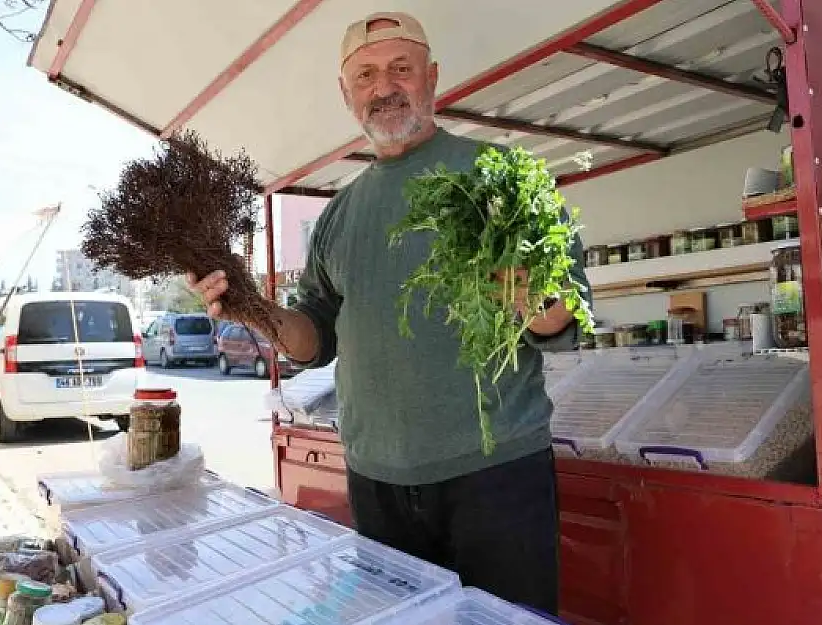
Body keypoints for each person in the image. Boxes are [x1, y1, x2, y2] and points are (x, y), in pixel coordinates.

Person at [189, 12, 591, 615]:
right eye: (367, 75)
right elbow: (313, 339)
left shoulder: (502, 177)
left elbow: (565, 319)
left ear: (432, 77)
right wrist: (251, 308)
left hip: (496, 472)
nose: (385, 87)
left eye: (401, 69)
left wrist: (532, 300)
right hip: (376, 478)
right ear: (346, 93)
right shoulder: (340, 213)